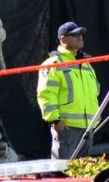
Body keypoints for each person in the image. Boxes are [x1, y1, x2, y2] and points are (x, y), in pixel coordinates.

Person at [36, 21, 99, 160]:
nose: (80, 37)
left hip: (88, 127)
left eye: (81, 34)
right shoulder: (53, 64)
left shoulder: (85, 64)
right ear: (62, 39)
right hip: (67, 128)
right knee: (62, 171)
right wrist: (55, 121)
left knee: (83, 170)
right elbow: (46, 94)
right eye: (75, 34)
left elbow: (94, 92)